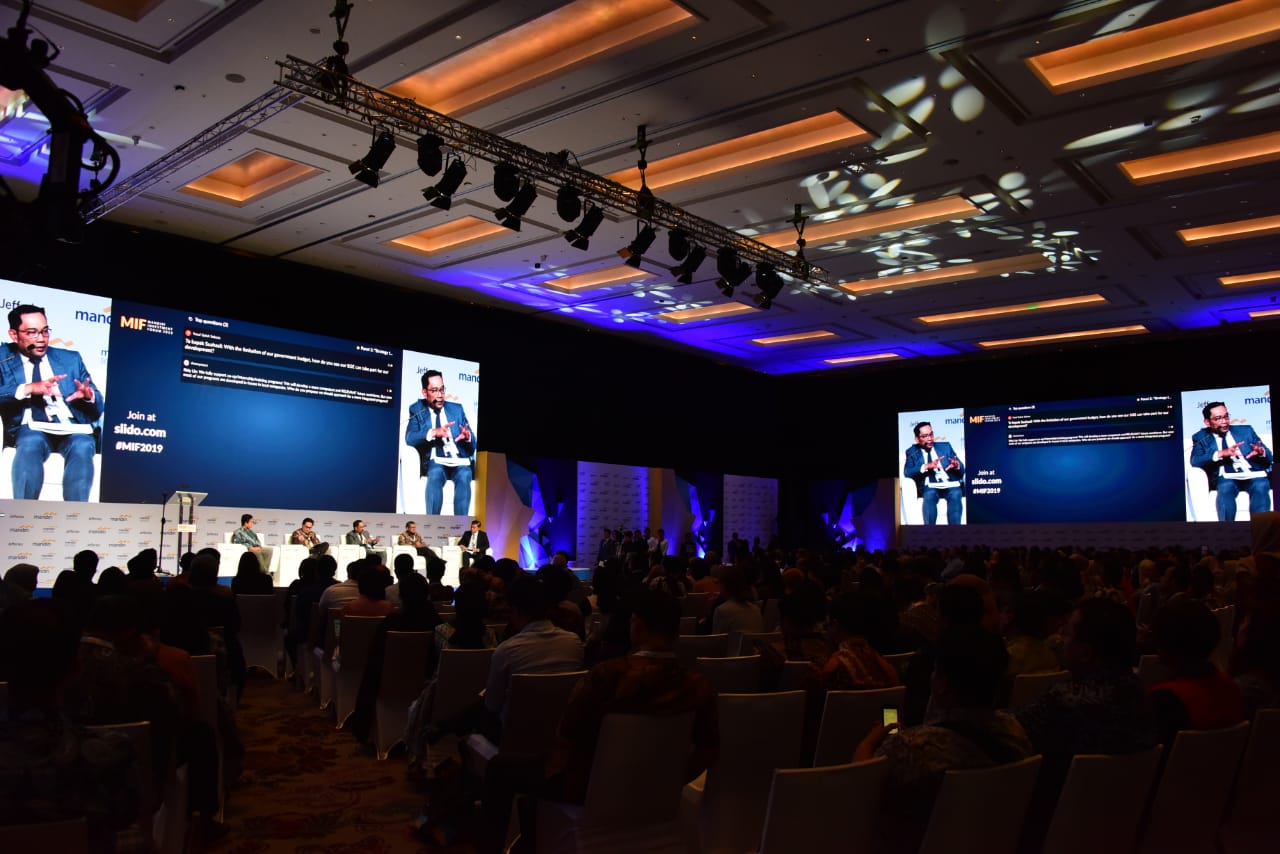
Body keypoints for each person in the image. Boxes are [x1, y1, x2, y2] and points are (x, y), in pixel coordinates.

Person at [0, 304, 104, 501]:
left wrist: (88, 396)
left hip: (72, 428)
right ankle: (23, 516)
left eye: (45, 331)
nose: (41, 339)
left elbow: (98, 406)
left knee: (83, 445)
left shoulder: (70, 359)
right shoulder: (2, 357)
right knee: (31, 441)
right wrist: (30, 388)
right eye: (32, 333)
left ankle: (75, 517)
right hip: (30, 427)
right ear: (14, 335)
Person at [405, 369, 475, 516]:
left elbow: (473, 444)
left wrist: (467, 437)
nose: (440, 395)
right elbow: (410, 437)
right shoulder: (417, 409)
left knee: (465, 475)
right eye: (435, 390)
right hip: (435, 461)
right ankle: (432, 524)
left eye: (442, 389)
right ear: (425, 392)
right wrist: (433, 432)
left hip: (458, 461)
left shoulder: (456, 409)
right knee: (435, 473)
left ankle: (461, 528)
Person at [1190, 401, 1273, 521]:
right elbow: (1195, 461)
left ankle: (1261, 532)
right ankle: (1226, 532)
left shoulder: (1246, 431)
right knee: (1225, 487)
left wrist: (1261, 452)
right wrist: (1221, 453)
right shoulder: (1200, 437)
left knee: (1261, 484)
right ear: (1207, 422)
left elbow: (1270, 456)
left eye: (1226, 416)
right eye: (1218, 418)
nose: (1224, 421)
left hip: (1253, 473)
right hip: (1226, 477)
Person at [903, 420, 965, 525]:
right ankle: (929, 532)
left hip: (950, 483)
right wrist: (926, 466)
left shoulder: (945, 446)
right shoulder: (912, 452)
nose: (930, 438)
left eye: (931, 434)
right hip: (929, 486)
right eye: (925, 436)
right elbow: (907, 472)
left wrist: (956, 465)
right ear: (917, 439)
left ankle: (955, 532)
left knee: (956, 493)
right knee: (929, 494)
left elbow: (962, 470)